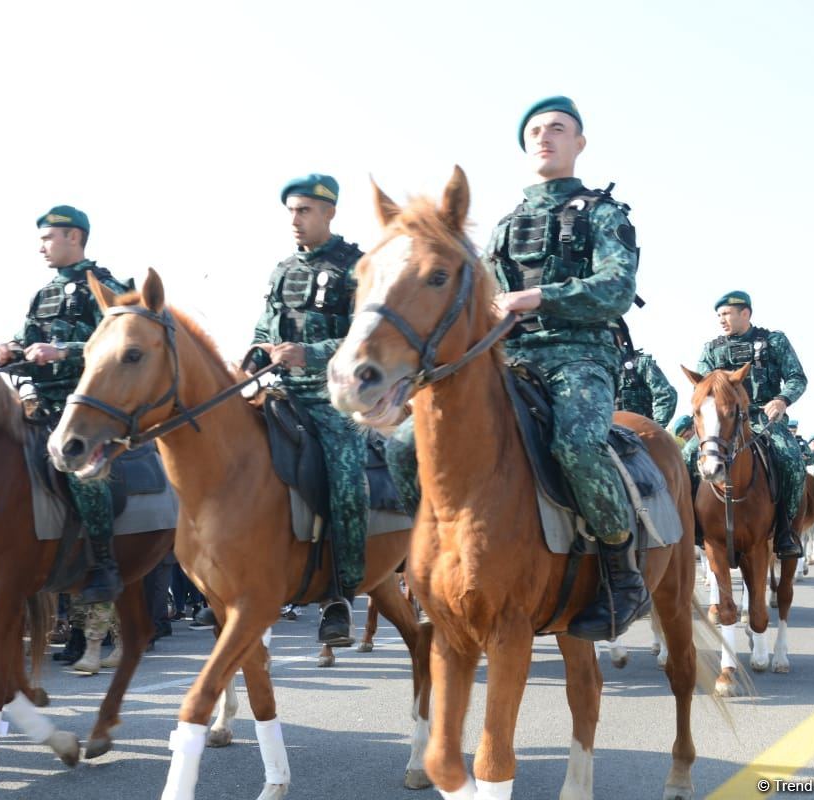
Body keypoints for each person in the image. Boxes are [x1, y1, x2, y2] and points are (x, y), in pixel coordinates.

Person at [389, 96, 647, 640]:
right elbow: (473, 299)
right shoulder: (507, 225)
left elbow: (617, 289)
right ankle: (435, 554)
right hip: (509, 360)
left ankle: (621, 572)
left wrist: (539, 296)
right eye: (534, 131)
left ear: (579, 143)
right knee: (402, 443)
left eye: (558, 128)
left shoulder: (603, 214)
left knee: (576, 446)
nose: (545, 137)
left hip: (580, 357)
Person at [245, 173, 366, 647]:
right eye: (291, 211)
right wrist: (253, 357)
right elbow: (262, 329)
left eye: (305, 210)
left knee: (347, 484)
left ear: (330, 212)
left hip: (335, 396)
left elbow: (365, 337)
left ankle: (340, 594)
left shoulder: (356, 267)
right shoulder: (282, 269)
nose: (295, 219)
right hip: (283, 392)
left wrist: (310, 353)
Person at [0, 205, 132, 606]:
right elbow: (27, 337)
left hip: (89, 409)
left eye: (47, 238)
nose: (41, 248)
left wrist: (62, 352)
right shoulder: (44, 293)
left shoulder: (107, 287)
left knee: (81, 473)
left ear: (74, 236)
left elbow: (119, 344)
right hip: (41, 405)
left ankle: (105, 563)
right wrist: (10, 350)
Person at [686, 290, 807, 559]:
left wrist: (782, 400)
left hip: (764, 417)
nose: (721, 320)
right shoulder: (711, 349)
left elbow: (797, 377)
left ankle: (787, 529)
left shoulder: (774, 341)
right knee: (685, 457)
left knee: (791, 459)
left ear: (745, 313)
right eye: (719, 315)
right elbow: (702, 388)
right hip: (724, 421)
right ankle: (692, 526)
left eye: (726, 313)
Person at [615, 348, 678, 427]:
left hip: (638, 433)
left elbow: (666, 395)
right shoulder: (599, 368)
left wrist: (655, 429)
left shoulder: (640, 364)